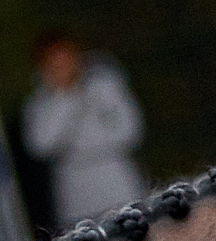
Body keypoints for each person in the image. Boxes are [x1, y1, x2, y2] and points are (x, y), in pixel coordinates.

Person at [22, 32, 146, 227]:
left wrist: (90, 144)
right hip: (77, 199)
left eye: (66, 60)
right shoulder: (39, 103)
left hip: (119, 186)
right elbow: (40, 146)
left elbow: (130, 130)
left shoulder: (105, 85)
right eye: (54, 65)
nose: (62, 68)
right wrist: (64, 97)